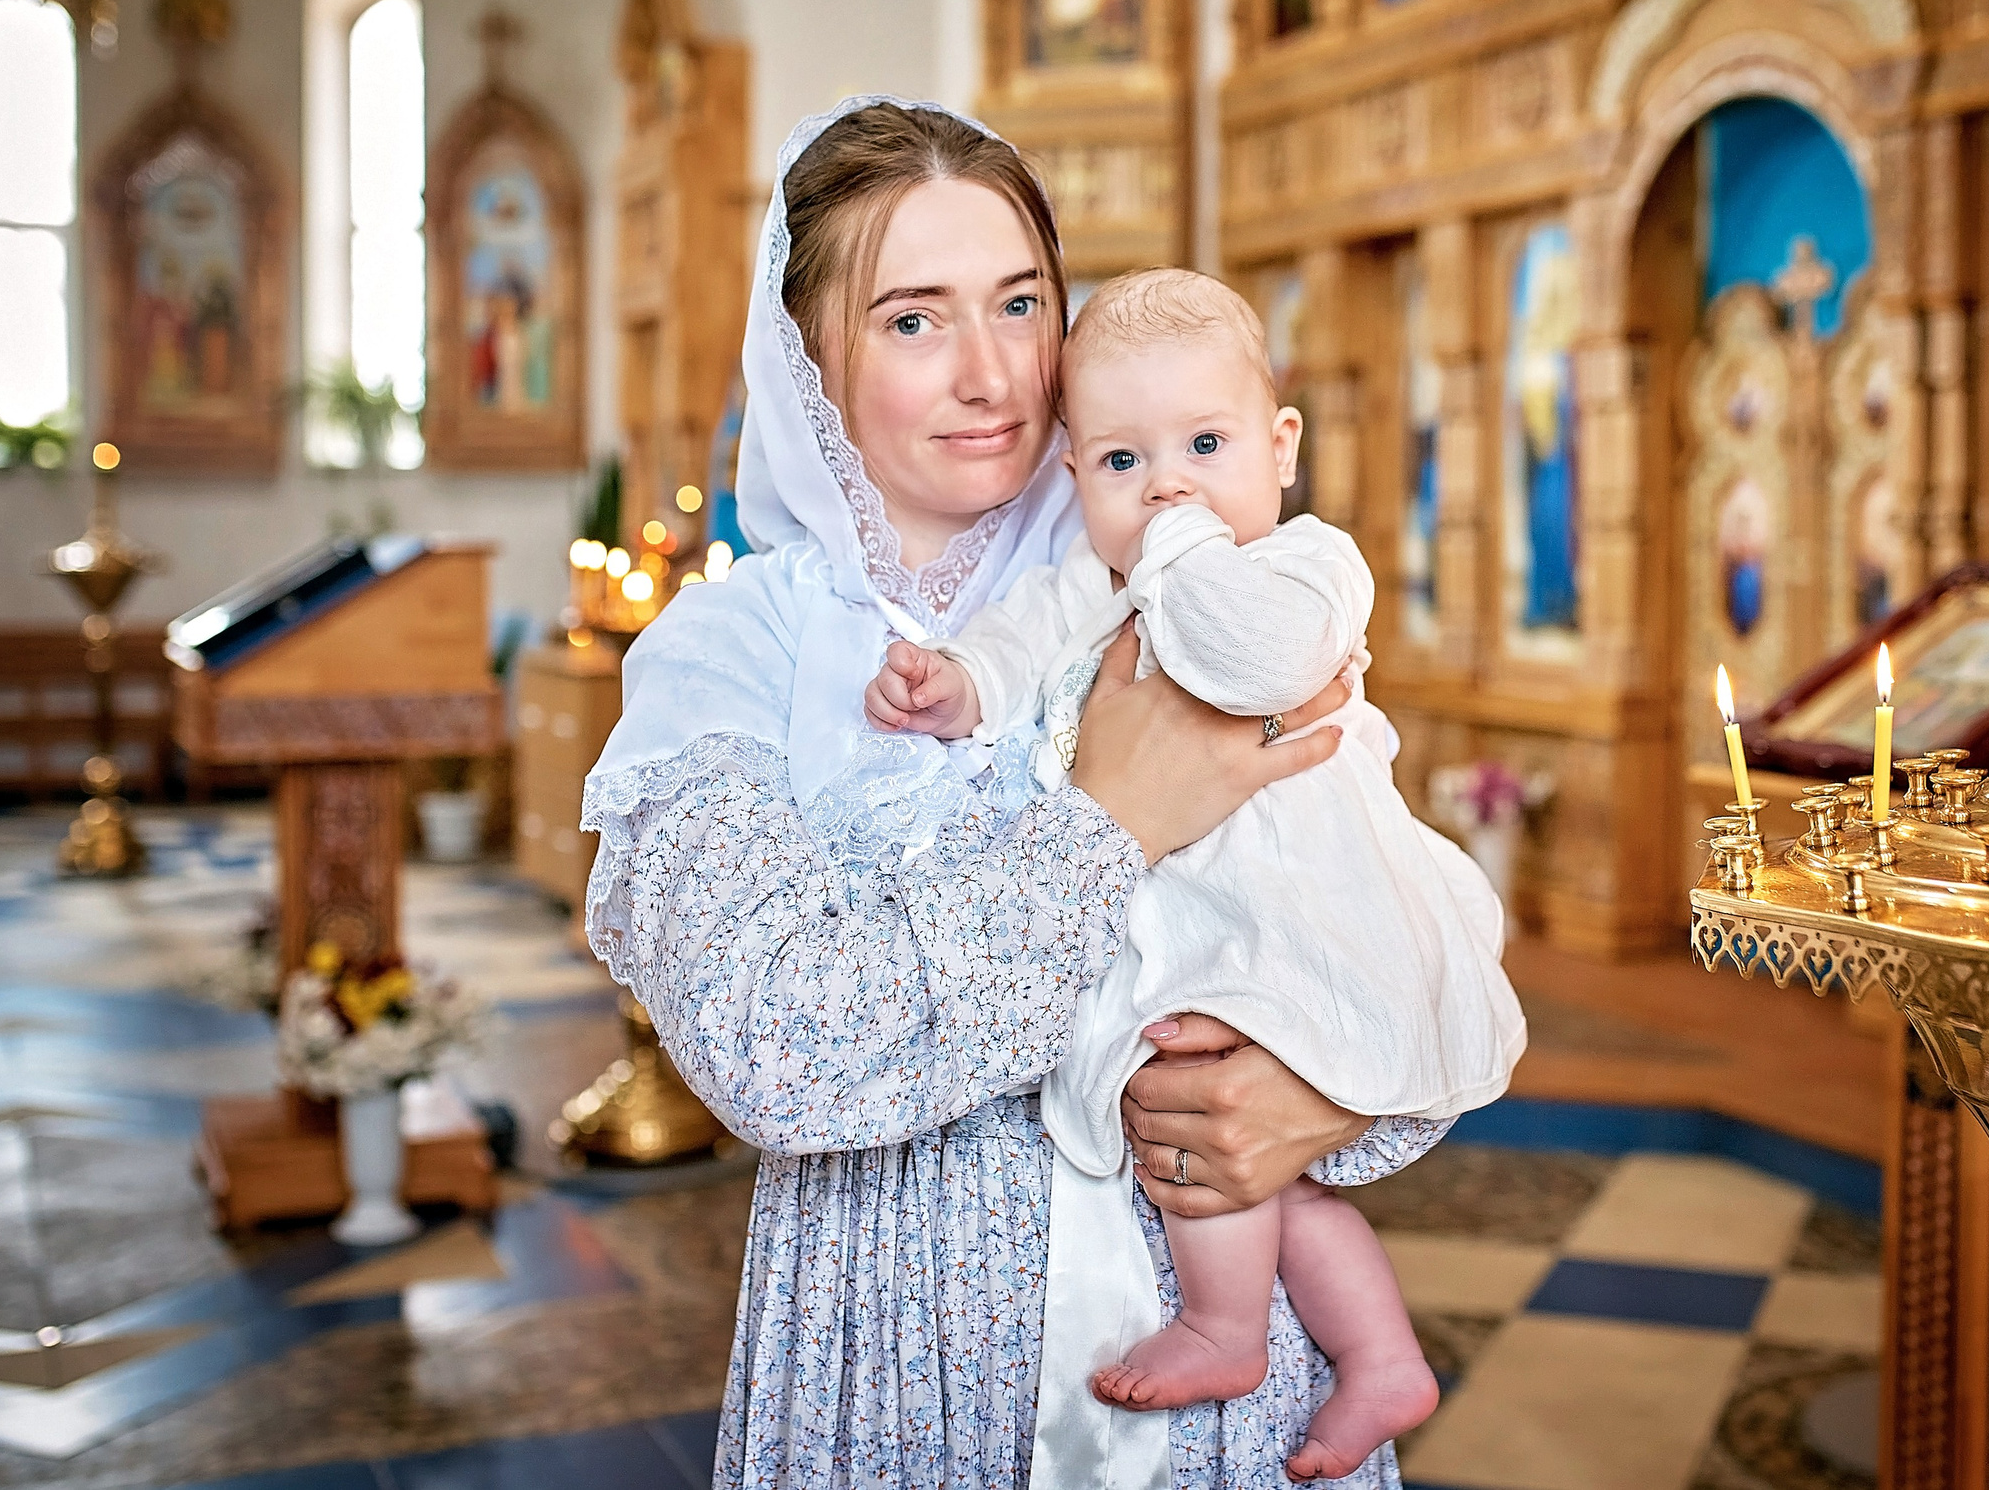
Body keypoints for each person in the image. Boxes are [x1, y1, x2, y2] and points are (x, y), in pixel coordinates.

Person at [582, 98, 1451, 1489]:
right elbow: (777, 1049)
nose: (991, 374)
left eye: (1020, 302)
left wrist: (1321, 1099)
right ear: (810, 356)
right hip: (900, 1334)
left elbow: (1372, 917)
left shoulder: (1189, 584)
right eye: (913, 319)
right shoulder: (730, 657)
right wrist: (1107, 821)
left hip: (1220, 1337)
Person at [867, 270, 1523, 1482]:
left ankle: (1227, 1330)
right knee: (1261, 1167)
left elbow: (1248, 657)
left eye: (1204, 446)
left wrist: (1170, 544)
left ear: (1281, 450)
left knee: (1212, 1104)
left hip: (1298, 908)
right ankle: (1381, 1360)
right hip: (1191, 913)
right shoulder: (1090, 587)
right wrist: (959, 682)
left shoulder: (1306, 565)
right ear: (1072, 477)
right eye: (1121, 463)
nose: (1166, 484)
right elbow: (1018, 644)